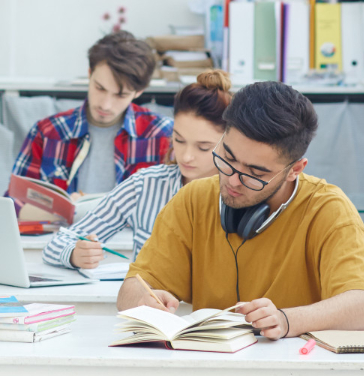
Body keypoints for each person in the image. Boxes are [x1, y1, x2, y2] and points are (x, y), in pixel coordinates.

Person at [118, 81, 364, 340]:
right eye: (228, 159)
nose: (232, 181)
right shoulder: (192, 200)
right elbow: (131, 289)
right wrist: (143, 301)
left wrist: (286, 320)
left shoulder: (329, 211)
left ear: (295, 169)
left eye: (256, 173)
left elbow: (361, 307)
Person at [42, 69, 232, 270]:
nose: (185, 156)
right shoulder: (144, 185)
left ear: (228, 141)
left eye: (203, 147)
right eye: (179, 140)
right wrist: (74, 254)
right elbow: (58, 243)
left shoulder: (241, 192)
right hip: (148, 300)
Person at [11, 31, 170, 194]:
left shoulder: (164, 135)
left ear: (139, 92)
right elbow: (15, 202)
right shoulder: (46, 133)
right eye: (100, 88)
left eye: (120, 95)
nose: (106, 105)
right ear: (89, 74)